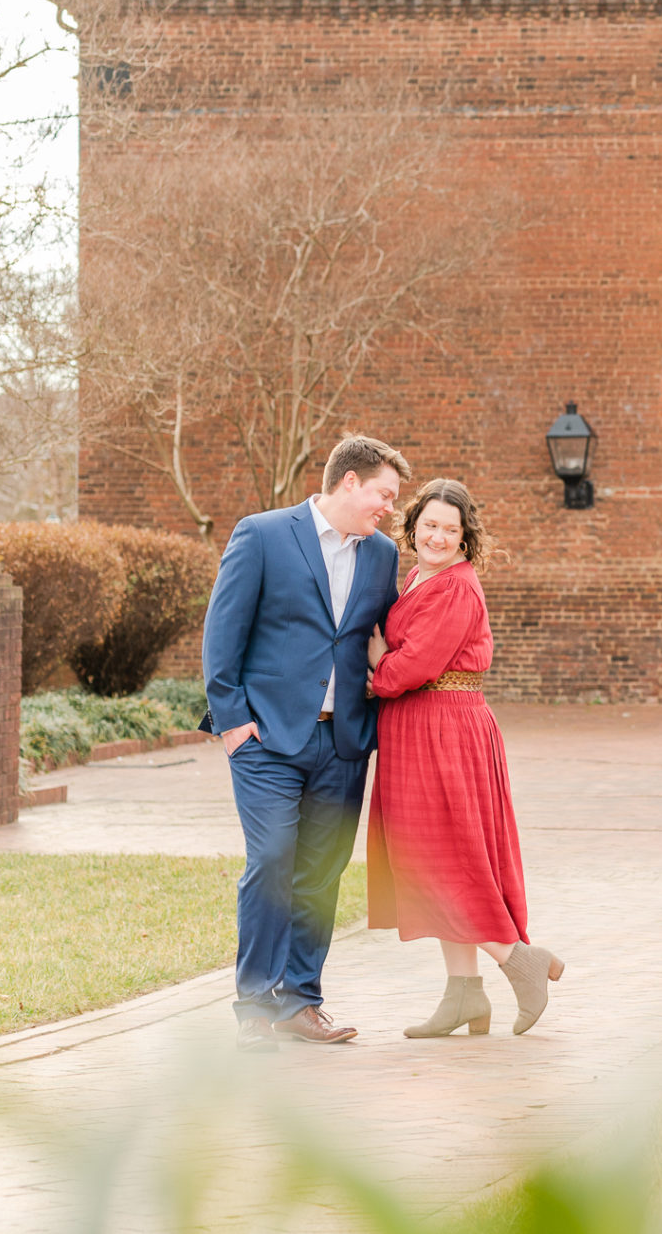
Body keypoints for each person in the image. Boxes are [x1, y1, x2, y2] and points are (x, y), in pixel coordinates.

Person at [202, 434, 410, 1047]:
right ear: (350, 481)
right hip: (266, 738)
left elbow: (382, 633)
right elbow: (223, 632)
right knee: (271, 862)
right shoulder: (263, 534)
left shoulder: (380, 556)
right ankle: (254, 1007)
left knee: (320, 873)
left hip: (343, 742)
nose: (389, 508)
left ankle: (300, 1002)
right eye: (384, 494)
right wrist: (234, 723)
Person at [365, 477, 564, 1037]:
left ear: (464, 536)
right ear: (414, 526)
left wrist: (380, 664)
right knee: (434, 857)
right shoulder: (418, 577)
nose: (438, 536)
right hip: (421, 728)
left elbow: (414, 667)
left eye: (450, 529)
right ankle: (464, 996)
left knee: (446, 858)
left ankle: (518, 961)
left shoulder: (455, 587)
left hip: (443, 730)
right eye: (429, 524)